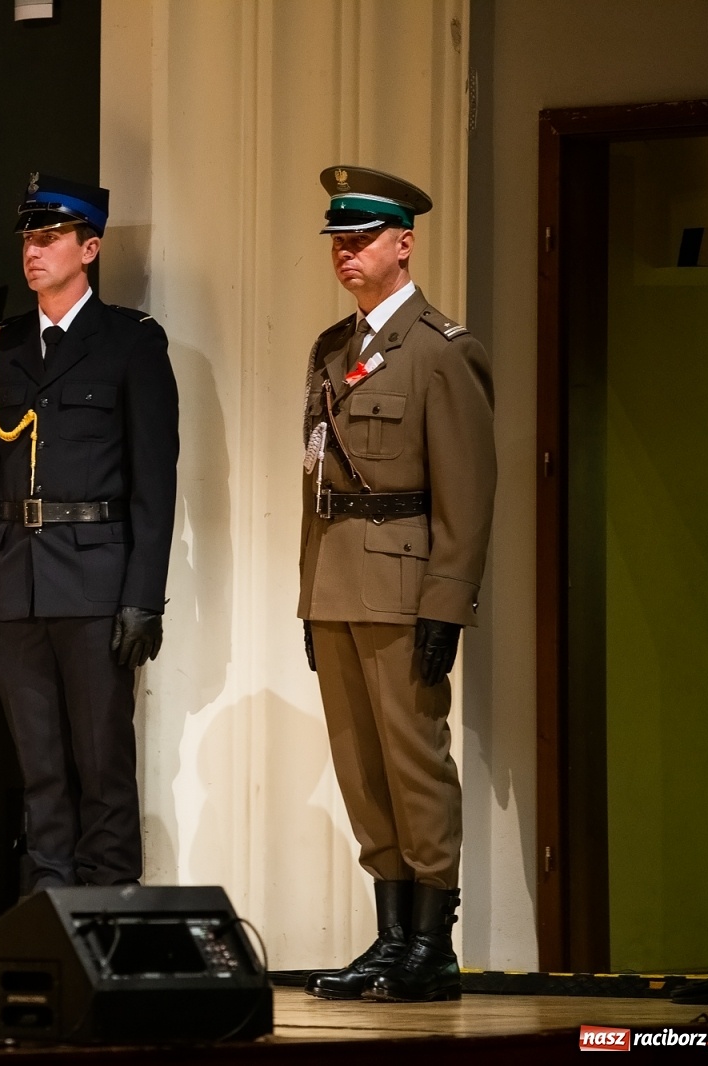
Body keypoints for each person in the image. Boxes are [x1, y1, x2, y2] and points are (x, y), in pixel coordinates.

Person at [298, 166, 495, 1003]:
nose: (346, 252)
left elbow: (469, 492)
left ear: (403, 244)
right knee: (360, 767)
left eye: (363, 237)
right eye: (338, 239)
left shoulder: (442, 352)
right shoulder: (332, 351)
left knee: (416, 764)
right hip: (338, 585)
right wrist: (306, 595)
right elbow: (314, 485)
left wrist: (447, 603)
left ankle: (432, 944)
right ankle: (389, 937)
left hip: (405, 584)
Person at [0, 175, 179, 892]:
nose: (33, 250)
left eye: (49, 237)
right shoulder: (2, 348)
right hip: (15, 578)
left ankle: (109, 902)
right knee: (39, 763)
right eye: (27, 237)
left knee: (101, 756)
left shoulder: (129, 343)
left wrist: (143, 596)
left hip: (94, 582)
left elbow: (154, 482)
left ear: (90, 247)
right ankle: (47, 905)